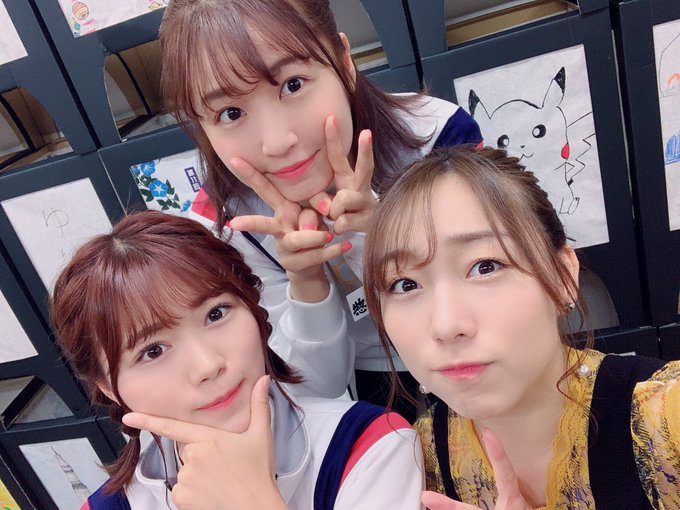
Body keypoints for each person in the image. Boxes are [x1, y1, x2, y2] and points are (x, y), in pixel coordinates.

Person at [158, 0, 483, 420]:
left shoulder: (436, 135)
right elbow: (320, 385)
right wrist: (305, 280)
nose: (277, 141)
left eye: (292, 84)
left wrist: (387, 236)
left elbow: (499, 291)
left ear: (344, 61)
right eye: (230, 113)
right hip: (368, 377)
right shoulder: (225, 224)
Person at [363, 146, 680, 509]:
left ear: (562, 276)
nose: (446, 325)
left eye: (485, 266)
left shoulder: (664, 418)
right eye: (404, 284)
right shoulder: (418, 460)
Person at [49, 211, 423, 510]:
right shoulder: (111, 505)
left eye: (216, 314)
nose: (207, 365)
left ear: (254, 310)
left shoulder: (368, 446)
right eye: (153, 351)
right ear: (108, 387)